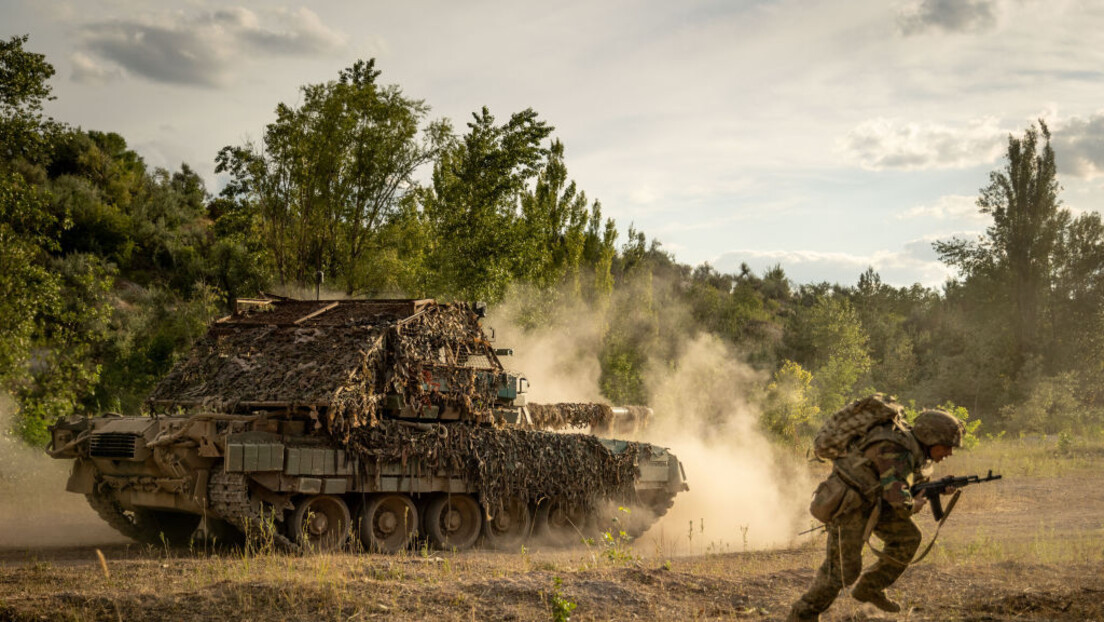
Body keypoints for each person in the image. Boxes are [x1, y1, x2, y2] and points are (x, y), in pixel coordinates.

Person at [787, 409, 965, 621]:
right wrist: (912, 505)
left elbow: (901, 482)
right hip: (851, 507)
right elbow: (897, 497)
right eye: (946, 446)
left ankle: (869, 587)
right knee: (843, 570)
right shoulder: (896, 449)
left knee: (908, 538)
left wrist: (936, 488)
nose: (949, 453)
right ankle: (802, 614)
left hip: (875, 503)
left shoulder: (913, 449)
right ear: (930, 438)